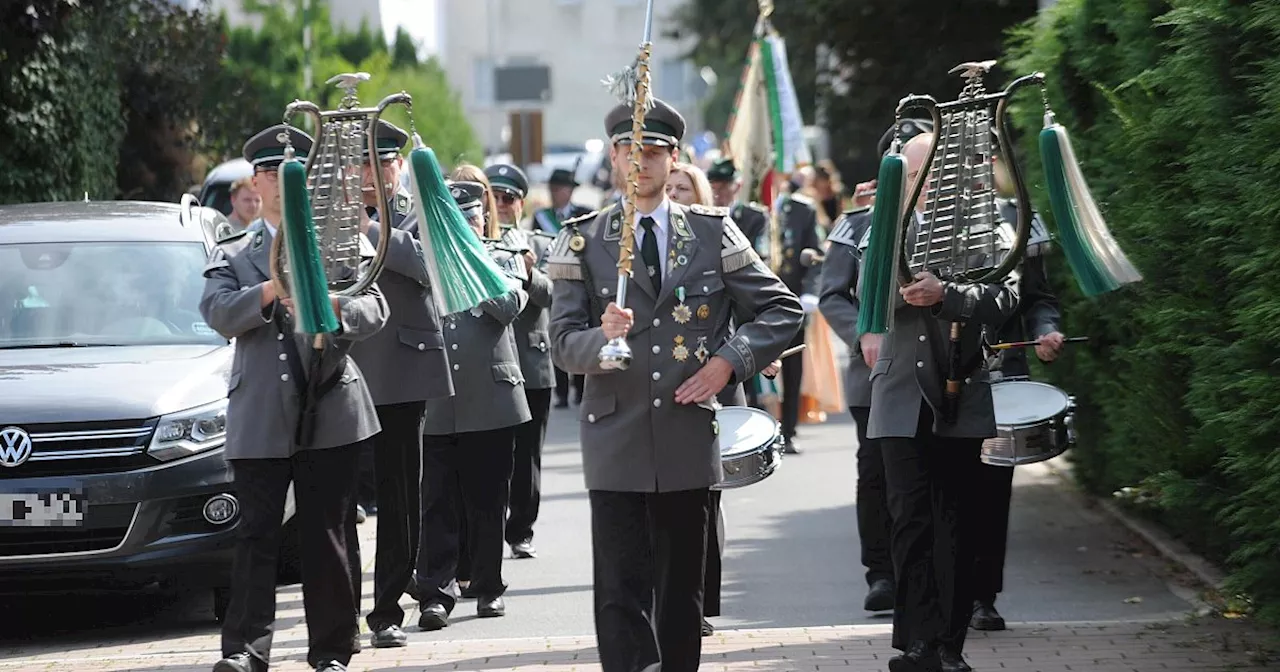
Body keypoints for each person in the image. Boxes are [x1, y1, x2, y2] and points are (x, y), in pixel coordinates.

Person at [547, 97, 804, 672]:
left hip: (688, 434)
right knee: (619, 591)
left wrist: (726, 363)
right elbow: (562, 344)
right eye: (630, 151)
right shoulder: (584, 240)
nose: (642, 162)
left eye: (655, 151)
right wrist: (601, 337)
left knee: (682, 591)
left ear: (673, 158)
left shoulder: (714, 233)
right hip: (615, 435)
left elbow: (783, 312)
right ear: (615, 157)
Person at [204, 124, 389, 672]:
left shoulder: (341, 241)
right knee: (256, 533)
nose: (281, 183)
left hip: (331, 405)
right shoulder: (236, 249)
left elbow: (375, 306)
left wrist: (331, 306)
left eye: (294, 174)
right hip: (261, 412)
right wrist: (270, 290)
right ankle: (245, 649)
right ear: (256, 182)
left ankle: (332, 649)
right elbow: (216, 311)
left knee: (327, 533)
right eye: (269, 173)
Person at [861, 131, 1019, 672]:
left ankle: (950, 645)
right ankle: (915, 642)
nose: (918, 184)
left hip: (961, 391)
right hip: (902, 393)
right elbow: (870, 302)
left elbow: (1006, 297)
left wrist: (948, 294)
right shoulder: (885, 229)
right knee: (909, 521)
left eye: (927, 173)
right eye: (909, 174)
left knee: (957, 520)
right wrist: (897, 268)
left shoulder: (985, 228)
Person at [817, 118, 936, 616]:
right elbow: (832, 295)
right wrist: (862, 332)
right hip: (872, 373)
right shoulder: (859, 222)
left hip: (932, 369)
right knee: (876, 473)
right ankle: (881, 572)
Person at [348, 120, 456, 649]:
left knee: (399, 496)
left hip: (401, 370)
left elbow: (429, 266)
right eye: (364, 164)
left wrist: (370, 230)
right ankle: (338, 606)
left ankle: (387, 607)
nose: (372, 174)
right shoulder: (333, 217)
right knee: (339, 497)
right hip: (341, 370)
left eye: (382, 163)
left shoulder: (422, 210)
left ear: (398, 167)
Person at [413, 180, 531, 629]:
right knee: (437, 500)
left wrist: (468, 264)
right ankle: (436, 593)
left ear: (484, 218)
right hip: (438, 396)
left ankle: (488, 586)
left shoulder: (500, 256)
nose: (467, 224)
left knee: (488, 497)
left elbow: (509, 304)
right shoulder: (427, 257)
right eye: (456, 218)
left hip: (490, 395)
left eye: (473, 216)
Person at [969, 146, 1066, 633]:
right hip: (937, 377)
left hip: (1004, 376)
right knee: (941, 489)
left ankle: (983, 596)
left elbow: (1038, 299)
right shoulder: (921, 221)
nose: (978, 166)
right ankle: (940, 593)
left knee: (991, 489)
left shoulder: (1019, 219)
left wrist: (1047, 331)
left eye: (986, 156)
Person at [489, 162, 557, 560]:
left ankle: (521, 530)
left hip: (532, 363)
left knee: (527, 452)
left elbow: (554, 295)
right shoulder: (476, 241)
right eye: (494, 197)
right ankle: (488, 528)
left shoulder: (543, 244)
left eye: (508, 198)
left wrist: (530, 273)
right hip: (491, 364)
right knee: (493, 453)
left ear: (522, 203)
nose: (500, 205)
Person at [774, 176, 822, 454]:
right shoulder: (748, 209)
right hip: (752, 304)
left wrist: (809, 292)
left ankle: (788, 431)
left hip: (791, 300)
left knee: (792, 368)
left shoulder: (802, 209)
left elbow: (814, 254)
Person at [532, 167, 594, 233]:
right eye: (551, 189)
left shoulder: (585, 214)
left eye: (557, 189)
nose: (553, 193)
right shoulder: (541, 217)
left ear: (570, 191)